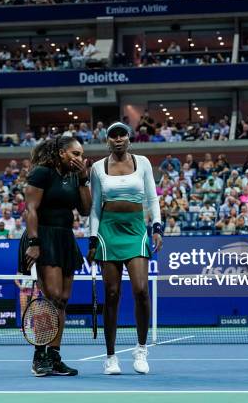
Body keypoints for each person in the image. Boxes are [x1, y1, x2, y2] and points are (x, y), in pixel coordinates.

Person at [88, 122, 163, 375]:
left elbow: (152, 197)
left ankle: (141, 350)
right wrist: (92, 237)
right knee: (111, 294)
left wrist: (157, 227)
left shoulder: (142, 162)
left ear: (129, 139)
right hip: (108, 232)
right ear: (107, 140)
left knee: (141, 290)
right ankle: (110, 357)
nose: (118, 139)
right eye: (113, 136)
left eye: (122, 135)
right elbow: (95, 206)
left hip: (135, 230)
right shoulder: (98, 167)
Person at [19, 135, 92, 377]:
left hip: (64, 238)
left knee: (62, 300)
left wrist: (83, 180)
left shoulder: (74, 176)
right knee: (51, 297)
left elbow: (85, 210)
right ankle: (39, 356)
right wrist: (34, 243)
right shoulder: (41, 172)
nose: (80, 159)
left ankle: (54, 356)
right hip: (43, 237)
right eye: (76, 154)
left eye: (81, 155)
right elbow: (30, 209)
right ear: (62, 153)